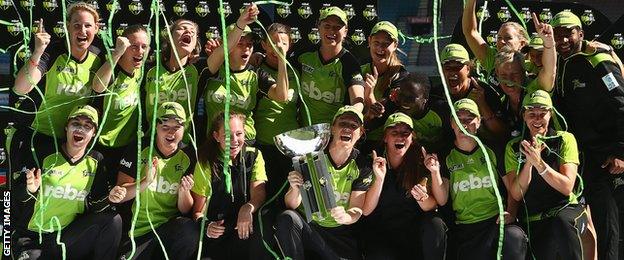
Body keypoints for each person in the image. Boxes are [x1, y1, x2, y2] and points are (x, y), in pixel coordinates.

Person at [551, 10, 624, 260]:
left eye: (568, 33)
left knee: (607, 222)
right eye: (557, 34)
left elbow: (621, 104)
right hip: (580, 156)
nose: (562, 40)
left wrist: (620, 151)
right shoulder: (559, 61)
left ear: (580, 33)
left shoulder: (598, 61)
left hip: (606, 157)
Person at [12, 105, 121, 259]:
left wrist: (110, 198)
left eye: (87, 126)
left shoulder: (96, 160)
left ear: (93, 133)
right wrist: (30, 190)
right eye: (75, 123)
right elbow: (17, 194)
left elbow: (97, 205)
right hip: (33, 238)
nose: (80, 129)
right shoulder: (44, 153)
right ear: (66, 127)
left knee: (113, 220)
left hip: (68, 236)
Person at [275, 106, 373, 260]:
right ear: (332, 128)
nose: (348, 128)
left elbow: (357, 209)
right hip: (308, 226)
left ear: (360, 133)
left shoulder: (363, 165)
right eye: (342, 123)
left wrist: (346, 216)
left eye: (354, 126)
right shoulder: (310, 153)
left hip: (338, 233)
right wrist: (294, 188)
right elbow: (291, 205)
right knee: (287, 218)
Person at [12, 2, 103, 165]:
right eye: (76, 25)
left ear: (96, 28)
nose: (82, 31)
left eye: (87, 25)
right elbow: (20, 88)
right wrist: (38, 51)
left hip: (70, 143)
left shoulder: (99, 58)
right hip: (36, 136)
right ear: (68, 27)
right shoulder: (52, 53)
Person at [504, 90, 586, 259]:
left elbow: (566, 187)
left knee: (561, 224)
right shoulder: (513, 147)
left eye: (542, 114)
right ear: (524, 116)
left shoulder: (564, 139)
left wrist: (540, 164)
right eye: (531, 114)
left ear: (551, 115)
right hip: (534, 216)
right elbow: (516, 194)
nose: (537, 119)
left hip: (564, 209)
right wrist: (529, 162)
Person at [112, 102, 199, 260]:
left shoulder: (190, 156)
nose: (171, 132)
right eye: (165, 126)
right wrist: (146, 181)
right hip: (138, 231)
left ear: (184, 128)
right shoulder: (140, 148)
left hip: (168, 228)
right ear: (156, 126)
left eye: (176, 127)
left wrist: (183, 191)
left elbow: (186, 209)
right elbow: (121, 194)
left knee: (190, 230)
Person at [444, 99, 527, 259]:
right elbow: (442, 199)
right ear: (451, 123)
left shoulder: (492, 149)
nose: (464, 124)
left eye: (469, 119)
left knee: (514, 237)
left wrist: (511, 212)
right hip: (466, 227)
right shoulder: (444, 154)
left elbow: (512, 188)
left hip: (495, 220)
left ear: (479, 121)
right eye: (458, 119)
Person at [359, 112, 447, 259]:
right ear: (385, 138)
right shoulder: (372, 163)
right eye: (394, 132)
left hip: (413, 232)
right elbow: (366, 211)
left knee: (435, 224)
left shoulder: (421, 163)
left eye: (406, 133)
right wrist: (379, 179)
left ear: (412, 139)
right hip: (383, 235)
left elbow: (433, 206)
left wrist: (422, 197)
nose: (400, 136)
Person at [203, 4, 289, 142]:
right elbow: (224, 48)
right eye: (240, 44)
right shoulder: (212, 69)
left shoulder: (256, 74)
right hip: (215, 142)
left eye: (250, 44)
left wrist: (282, 59)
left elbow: (282, 96)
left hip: (245, 142)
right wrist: (242, 22)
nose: (246, 49)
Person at [191, 111, 267, 259]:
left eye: (239, 134)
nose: (234, 140)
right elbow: (198, 211)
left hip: (244, 226)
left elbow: (259, 194)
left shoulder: (254, 155)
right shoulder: (205, 163)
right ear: (216, 136)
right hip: (218, 229)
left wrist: (248, 208)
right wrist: (207, 226)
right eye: (227, 135)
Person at [92, 24, 149, 181]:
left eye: (144, 47)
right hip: (101, 146)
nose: (140, 51)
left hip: (127, 149)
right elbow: (97, 87)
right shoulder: (112, 69)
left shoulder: (145, 72)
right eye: (134, 46)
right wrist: (117, 53)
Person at [253, 22, 299, 210]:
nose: (277, 48)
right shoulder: (255, 70)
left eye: (283, 44)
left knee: (288, 201)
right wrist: (280, 60)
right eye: (272, 43)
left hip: (290, 147)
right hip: (264, 145)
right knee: (265, 200)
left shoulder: (298, 70)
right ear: (263, 45)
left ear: (291, 46)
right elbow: (280, 95)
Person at [296, 6, 365, 125]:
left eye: (337, 27)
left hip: (333, 132)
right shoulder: (304, 54)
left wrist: (353, 114)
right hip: (304, 129)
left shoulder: (349, 62)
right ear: (318, 27)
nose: (331, 31)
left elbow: (358, 100)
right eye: (327, 26)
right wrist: (260, 56)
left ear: (345, 31)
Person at [143, 18, 201, 142]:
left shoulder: (198, 70)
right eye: (181, 28)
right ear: (169, 37)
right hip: (151, 142)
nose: (188, 32)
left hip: (182, 146)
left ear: (195, 43)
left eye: (192, 32)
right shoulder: (149, 69)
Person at [365, 74, 450, 154]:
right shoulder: (392, 106)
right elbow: (365, 129)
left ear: (425, 99)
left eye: (411, 98)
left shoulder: (441, 110)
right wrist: (370, 116)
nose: (405, 101)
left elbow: (450, 141)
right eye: (402, 95)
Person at [462, 0, 528, 83]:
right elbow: (470, 32)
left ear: (522, 43)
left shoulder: (531, 65)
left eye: (508, 38)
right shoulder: (493, 59)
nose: (502, 42)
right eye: (499, 38)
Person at [361, 21, 409, 117]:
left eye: (386, 44)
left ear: (395, 45)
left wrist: (369, 95)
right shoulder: (359, 70)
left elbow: (385, 117)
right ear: (369, 41)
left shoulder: (402, 76)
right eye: (376, 42)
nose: (380, 48)